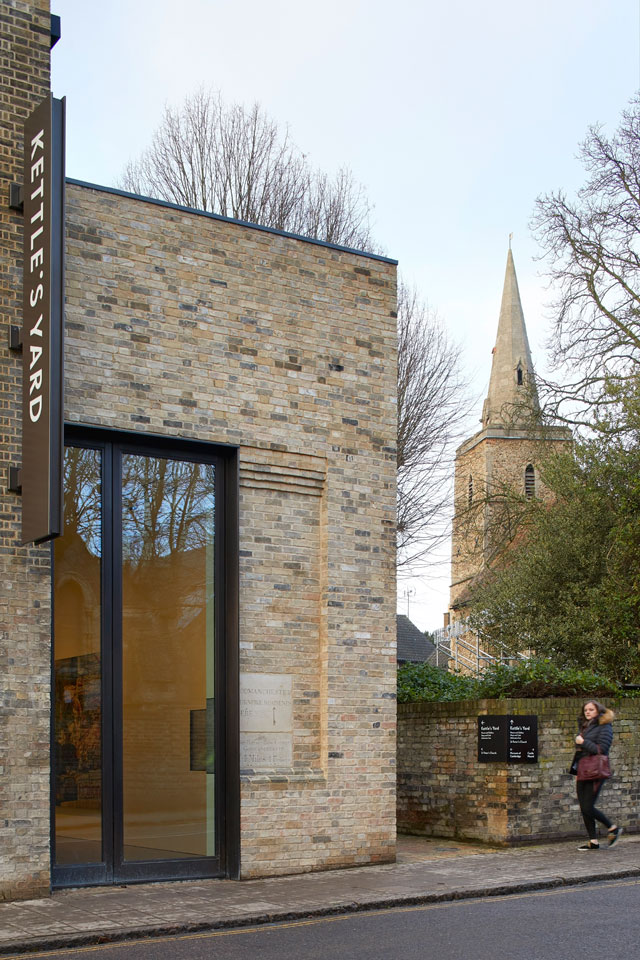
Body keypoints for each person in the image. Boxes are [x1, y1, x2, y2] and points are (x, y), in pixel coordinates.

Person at [571, 700, 622, 850]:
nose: (587, 712)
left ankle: (613, 828)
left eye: (591, 709)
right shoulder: (586, 727)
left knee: (588, 807)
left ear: (598, 711)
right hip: (583, 769)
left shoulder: (604, 727)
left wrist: (583, 742)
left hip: (596, 771)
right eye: (585, 709)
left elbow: (602, 749)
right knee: (583, 806)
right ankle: (593, 841)